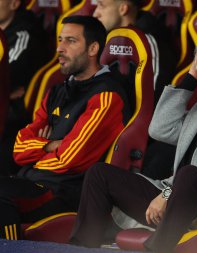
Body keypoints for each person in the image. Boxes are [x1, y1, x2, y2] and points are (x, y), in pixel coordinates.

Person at [69, 38, 197, 253]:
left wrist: (169, 193)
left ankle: (158, 249)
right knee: (99, 174)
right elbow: (160, 129)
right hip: (176, 198)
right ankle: (81, 247)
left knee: (190, 174)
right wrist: (190, 79)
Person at [0, 15, 131, 240]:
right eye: (60, 40)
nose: (60, 48)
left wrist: (38, 151)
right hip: (30, 182)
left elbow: (71, 157)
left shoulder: (107, 95)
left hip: (64, 193)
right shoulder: (56, 91)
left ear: (93, 48)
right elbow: (18, 148)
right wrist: (50, 145)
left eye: (70, 41)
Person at [93, 0, 177, 180]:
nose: (95, 13)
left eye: (101, 6)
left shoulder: (150, 41)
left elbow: (152, 105)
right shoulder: (104, 39)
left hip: (142, 135)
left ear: (123, 8)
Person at [0, 0, 50, 176]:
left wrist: (5, 89)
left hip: (15, 118)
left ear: (14, 4)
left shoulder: (25, 34)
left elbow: (7, 75)